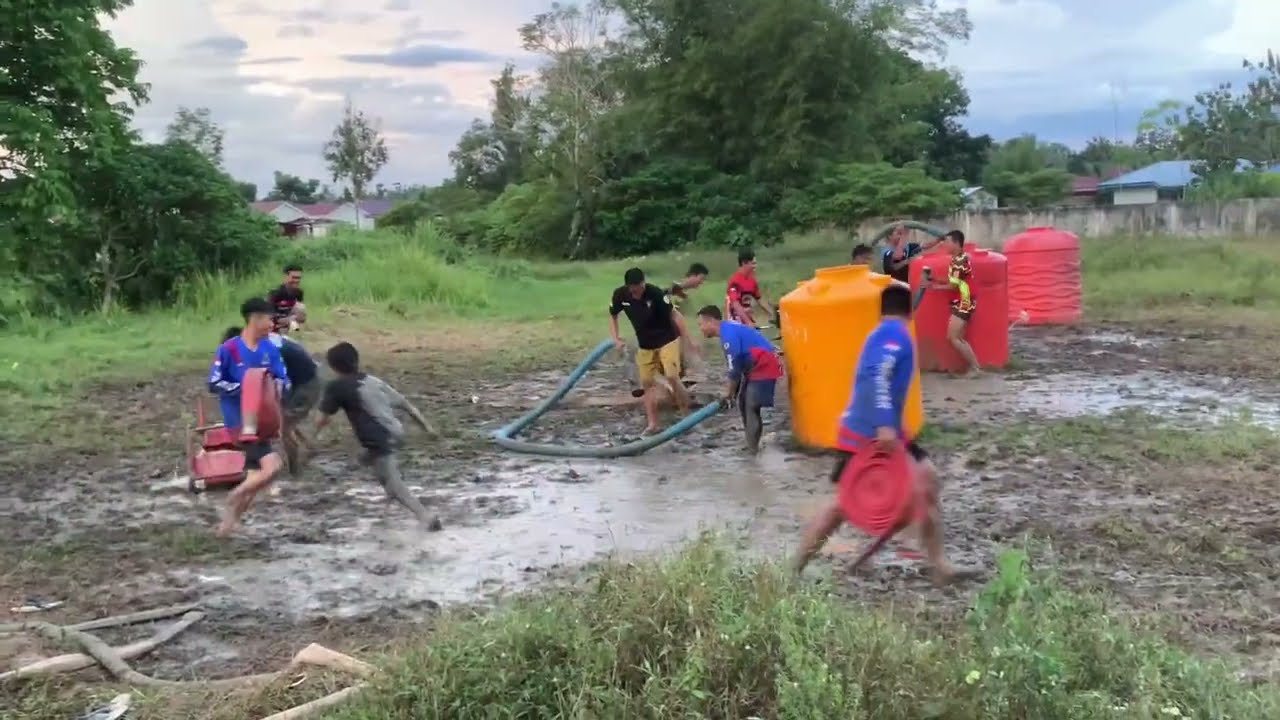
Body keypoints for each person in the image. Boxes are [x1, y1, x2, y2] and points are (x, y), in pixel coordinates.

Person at [791, 284, 966, 584]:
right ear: (909, 311)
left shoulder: (881, 333)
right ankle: (794, 568)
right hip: (866, 433)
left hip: (889, 432)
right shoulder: (894, 335)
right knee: (841, 507)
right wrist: (885, 423)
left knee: (927, 482)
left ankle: (939, 565)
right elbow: (877, 376)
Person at [312, 342, 444, 531]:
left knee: (393, 482)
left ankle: (426, 517)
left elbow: (321, 419)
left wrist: (311, 440)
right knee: (369, 464)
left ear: (333, 367)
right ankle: (388, 510)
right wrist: (427, 427)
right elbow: (405, 404)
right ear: (356, 361)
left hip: (378, 439)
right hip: (396, 433)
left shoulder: (336, 387)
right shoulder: (372, 381)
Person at [208, 298, 291, 537]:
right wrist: (246, 388)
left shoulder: (270, 349)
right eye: (268, 319)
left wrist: (275, 387)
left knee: (257, 480)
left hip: (264, 422)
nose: (272, 324)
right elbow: (213, 383)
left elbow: (284, 379)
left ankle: (226, 528)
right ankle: (233, 495)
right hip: (241, 424)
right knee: (273, 466)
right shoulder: (229, 350)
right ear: (255, 319)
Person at [221, 325, 323, 475]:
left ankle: (295, 471)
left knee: (284, 427)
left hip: (305, 386)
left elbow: (270, 385)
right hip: (302, 377)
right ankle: (310, 447)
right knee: (285, 417)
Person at [609, 268, 700, 435]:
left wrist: (689, 340)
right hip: (645, 345)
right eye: (633, 289)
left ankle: (687, 415)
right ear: (628, 287)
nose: (636, 292)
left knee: (672, 376)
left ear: (643, 283)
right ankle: (653, 424)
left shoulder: (656, 294)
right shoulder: (621, 295)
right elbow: (613, 315)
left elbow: (675, 316)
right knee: (646, 384)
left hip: (667, 340)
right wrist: (616, 338)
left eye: (639, 287)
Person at [695, 306, 783, 454]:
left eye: (701, 324)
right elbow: (738, 365)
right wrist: (732, 392)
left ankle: (752, 449)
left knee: (751, 405)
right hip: (755, 365)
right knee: (743, 403)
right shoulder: (728, 328)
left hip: (764, 364)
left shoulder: (728, 336)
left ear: (710, 321)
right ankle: (751, 443)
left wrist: (728, 393)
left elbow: (734, 368)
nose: (700, 329)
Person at [941, 229, 981, 376]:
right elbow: (955, 281)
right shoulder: (959, 259)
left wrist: (933, 286)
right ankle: (975, 367)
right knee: (957, 338)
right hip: (964, 300)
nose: (945, 244)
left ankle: (975, 368)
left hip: (964, 301)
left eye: (948, 241)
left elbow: (953, 286)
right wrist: (937, 281)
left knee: (953, 337)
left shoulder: (959, 261)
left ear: (957, 243)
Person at [725, 248, 775, 328]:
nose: (755, 266)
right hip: (735, 323)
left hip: (747, 320)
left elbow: (760, 299)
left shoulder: (752, 281)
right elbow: (735, 304)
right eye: (753, 263)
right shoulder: (734, 281)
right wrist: (748, 322)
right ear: (744, 263)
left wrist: (772, 314)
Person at [268, 264, 306, 332]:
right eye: (294, 277)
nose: (296, 280)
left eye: (299, 278)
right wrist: (288, 320)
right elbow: (268, 316)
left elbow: (301, 317)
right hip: (273, 328)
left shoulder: (299, 292)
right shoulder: (275, 293)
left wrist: (297, 318)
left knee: (301, 307)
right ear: (286, 277)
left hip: (290, 325)